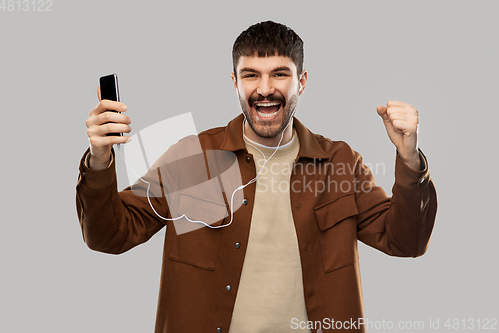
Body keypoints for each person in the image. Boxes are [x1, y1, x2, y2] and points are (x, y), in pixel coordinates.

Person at [77, 21, 437, 333]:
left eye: (280, 73)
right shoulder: (197, 158)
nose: (265, 89)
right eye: (251, 75)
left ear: (302, 82)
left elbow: (407, 242)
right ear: (235, 83)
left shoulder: (339, 162)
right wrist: (99, 157)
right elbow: (111, 235)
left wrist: (407, 156)